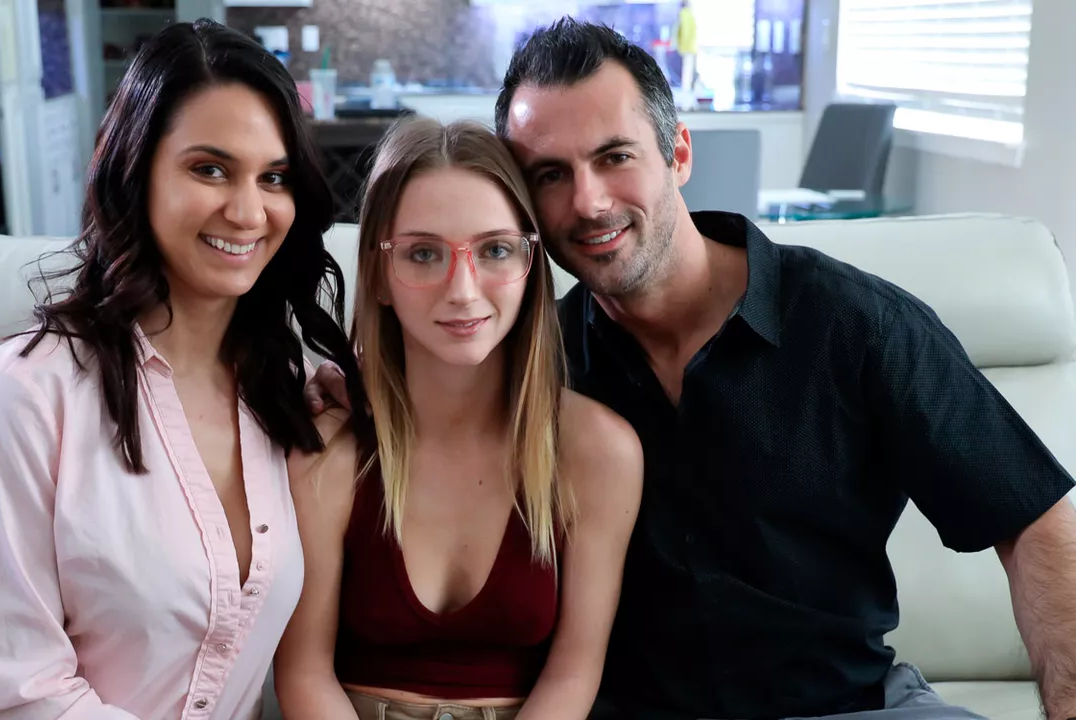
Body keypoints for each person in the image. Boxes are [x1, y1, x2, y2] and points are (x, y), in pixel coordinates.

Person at [310, 17, 1076, 720]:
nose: (589, 201)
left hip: (847, 704)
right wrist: (352, 385)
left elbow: (1033, 519)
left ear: (678, 153)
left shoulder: (855, 327)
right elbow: (427, 379)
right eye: (550, 174)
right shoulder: (535, 362)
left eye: (614, 157)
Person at [0, 20, 369, 720]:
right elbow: (22, 695)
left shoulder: (283, 392)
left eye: (273, 178)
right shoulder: (26, 392)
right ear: (134, 170)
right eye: (209, 169)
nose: (248, 211)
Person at [275, 117, 643, 720]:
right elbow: (302, 673)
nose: (463, 290)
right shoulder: (330, 450)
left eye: (495, 249)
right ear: (380, 274)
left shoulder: (598, 451)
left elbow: (575, 673)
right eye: (424, 253)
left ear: (531, 264)